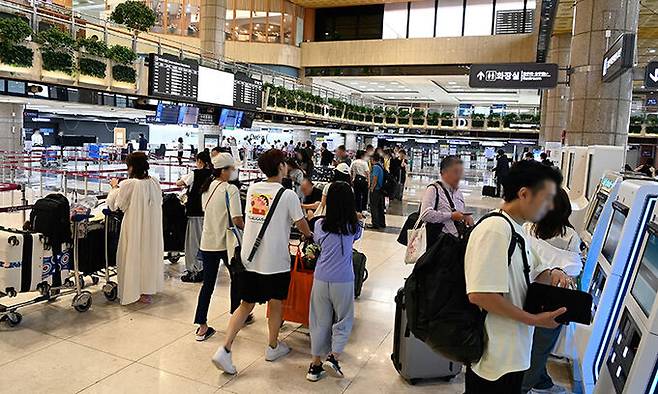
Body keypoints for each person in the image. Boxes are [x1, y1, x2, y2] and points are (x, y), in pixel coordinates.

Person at [464, 160, 572, 394]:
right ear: (524, 194)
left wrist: (554, 273)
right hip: (493, 358)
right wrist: (534, 320)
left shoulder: (516, 229)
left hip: (512, 354)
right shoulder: (494, 229)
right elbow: (481, 295)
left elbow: (535, 272)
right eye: (546, 199)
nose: (549, 207)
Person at [212, 149, 313, 375]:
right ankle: (272, 347)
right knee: (275, 303)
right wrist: (310, 234)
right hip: (275, 261)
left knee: (245, 304)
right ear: (280, 167)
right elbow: (301, 226)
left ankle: (225, 349)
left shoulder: (254, 190)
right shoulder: (287, 195)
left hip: (249, 259)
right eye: (284, 164)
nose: (287, 167)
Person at [522, 188, 583, 394]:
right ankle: (524, 386)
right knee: (541, 348)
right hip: (555, 299)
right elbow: (575, 268)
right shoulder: (570, 236)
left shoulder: (529, 228)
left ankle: (542, 381)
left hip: (528, 295)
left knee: (532, 343)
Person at [306, 182, 363, 382]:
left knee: (319, 321)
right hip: (343, 280)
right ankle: (334, 356)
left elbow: (317, 240)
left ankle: (315, 365)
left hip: (321, 278)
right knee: (344, 319)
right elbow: (357, 235)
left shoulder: (320, 225)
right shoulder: (353, 226)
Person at [193, 153, 249, 342]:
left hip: (208, 242)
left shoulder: (206, 188)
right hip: (226, 244)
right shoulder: (230, 189)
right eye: (231, 169)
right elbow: (237, 219)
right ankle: (237, 315)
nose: (233, 172)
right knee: (237, 278)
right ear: (223, 170)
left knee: (207, 285)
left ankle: (202, 326)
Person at [107, 152, 164, 305]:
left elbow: (117, 205)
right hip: (151, 227)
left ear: (131, 167)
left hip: (134, 226)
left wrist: (114, 187)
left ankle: (134, 291)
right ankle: (147, 289)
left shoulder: (129, 184)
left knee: (132, 254)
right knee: (147, 255)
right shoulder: (154, 182)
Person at [176, 151, 213, 283]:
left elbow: (179, 183)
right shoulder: (214, 175)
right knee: (205, 242)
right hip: (209, 214)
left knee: (193, 242)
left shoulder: (195, 173)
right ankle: (205, 269)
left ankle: (194, 270)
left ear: (200, 162)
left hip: (195, 213)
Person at [419, 156, 473, 242]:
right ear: (443, 172)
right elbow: (425, 214)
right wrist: (451, 216)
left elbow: (459, 212)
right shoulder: (433, 189)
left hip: (455, 241)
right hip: (438, 242)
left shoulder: (458, 192)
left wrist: (465, 217)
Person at [369, 152, 386, 229]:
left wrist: (372, 188)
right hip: (380, 190)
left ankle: (375, 223)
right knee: (380, 207)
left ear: (373, 159)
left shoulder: (375, 167)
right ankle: (381, 223)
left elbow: (375, 178)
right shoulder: (380, 166)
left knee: (374, 207)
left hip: (376, 189)